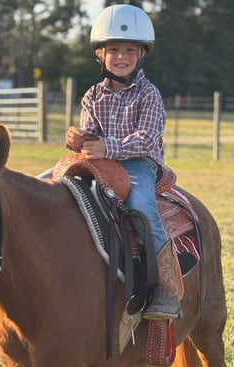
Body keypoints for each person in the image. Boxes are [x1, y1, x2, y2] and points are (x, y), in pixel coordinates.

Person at [66, 4, 182, 320]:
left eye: (129, 50)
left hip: (139, 163)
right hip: (100, 162)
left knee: (142, 206)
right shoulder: (91, 96)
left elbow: (146, 139)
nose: (121, 56)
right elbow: (90, 136)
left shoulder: (149, 94)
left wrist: (108, 147)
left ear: (141, 55)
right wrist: (77, 138)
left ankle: (167, 288)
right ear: (99, 55)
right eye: (113, 49)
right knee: (59, 189)